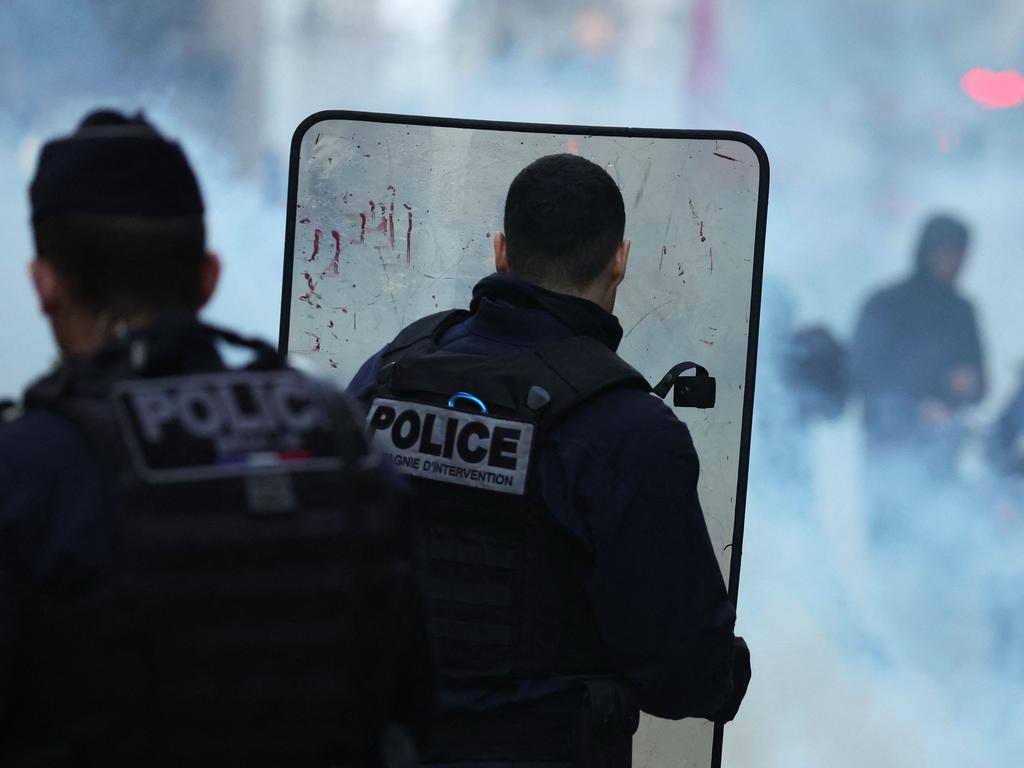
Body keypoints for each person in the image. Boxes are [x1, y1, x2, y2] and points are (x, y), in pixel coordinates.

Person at [0, 110, 433, 767]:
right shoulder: (343, 438)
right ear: (208, 276)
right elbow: (412, 707)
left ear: (45, 285)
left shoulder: (28, 470)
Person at [348, 153, 750, 766]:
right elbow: (684, 670)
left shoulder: (392, 371)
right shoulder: (626, 427)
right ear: (620, 258)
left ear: (501, 251)